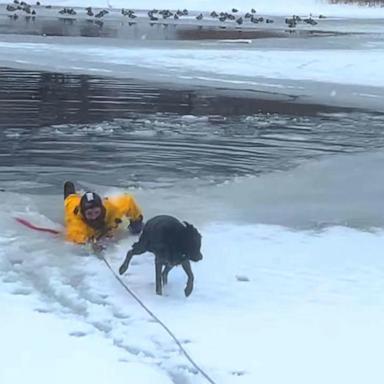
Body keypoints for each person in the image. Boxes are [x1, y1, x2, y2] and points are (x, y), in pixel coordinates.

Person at [63, 181, 143, 250]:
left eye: (96, 212)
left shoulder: (113, 208)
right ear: (84, 214)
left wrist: (136, 221)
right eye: (89, 214)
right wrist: (90, 246)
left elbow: (129, 201)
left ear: (102, 209)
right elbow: (75, 241)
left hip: (106, 215)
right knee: (70, 198)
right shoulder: (76, 224)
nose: (94, 217)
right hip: (73, 203)